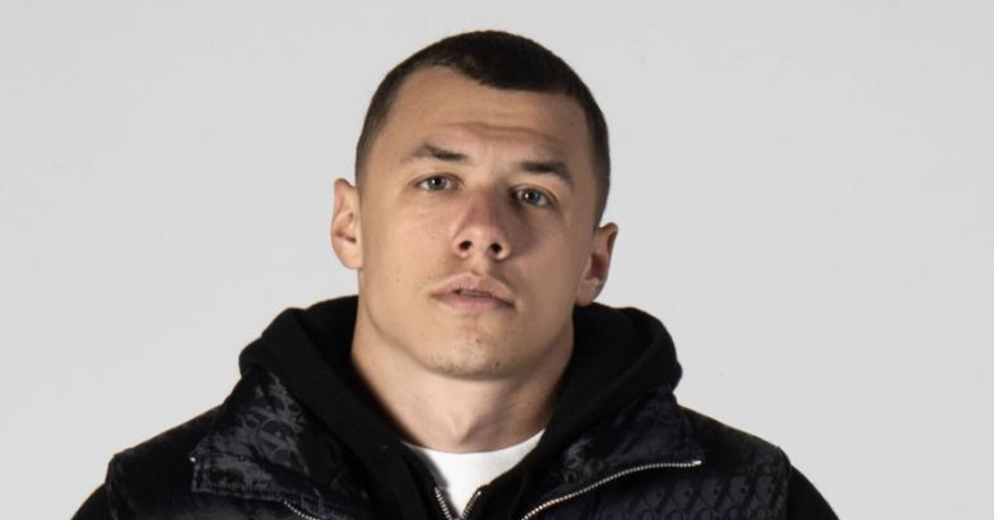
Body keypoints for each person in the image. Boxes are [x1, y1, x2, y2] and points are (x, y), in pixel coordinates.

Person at [72, 30, 837, 520]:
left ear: (593, 261)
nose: (483, 231)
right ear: (350, 224)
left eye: (533, 195)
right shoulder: (157, 504)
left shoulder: (753, 504)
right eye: (437, 182)